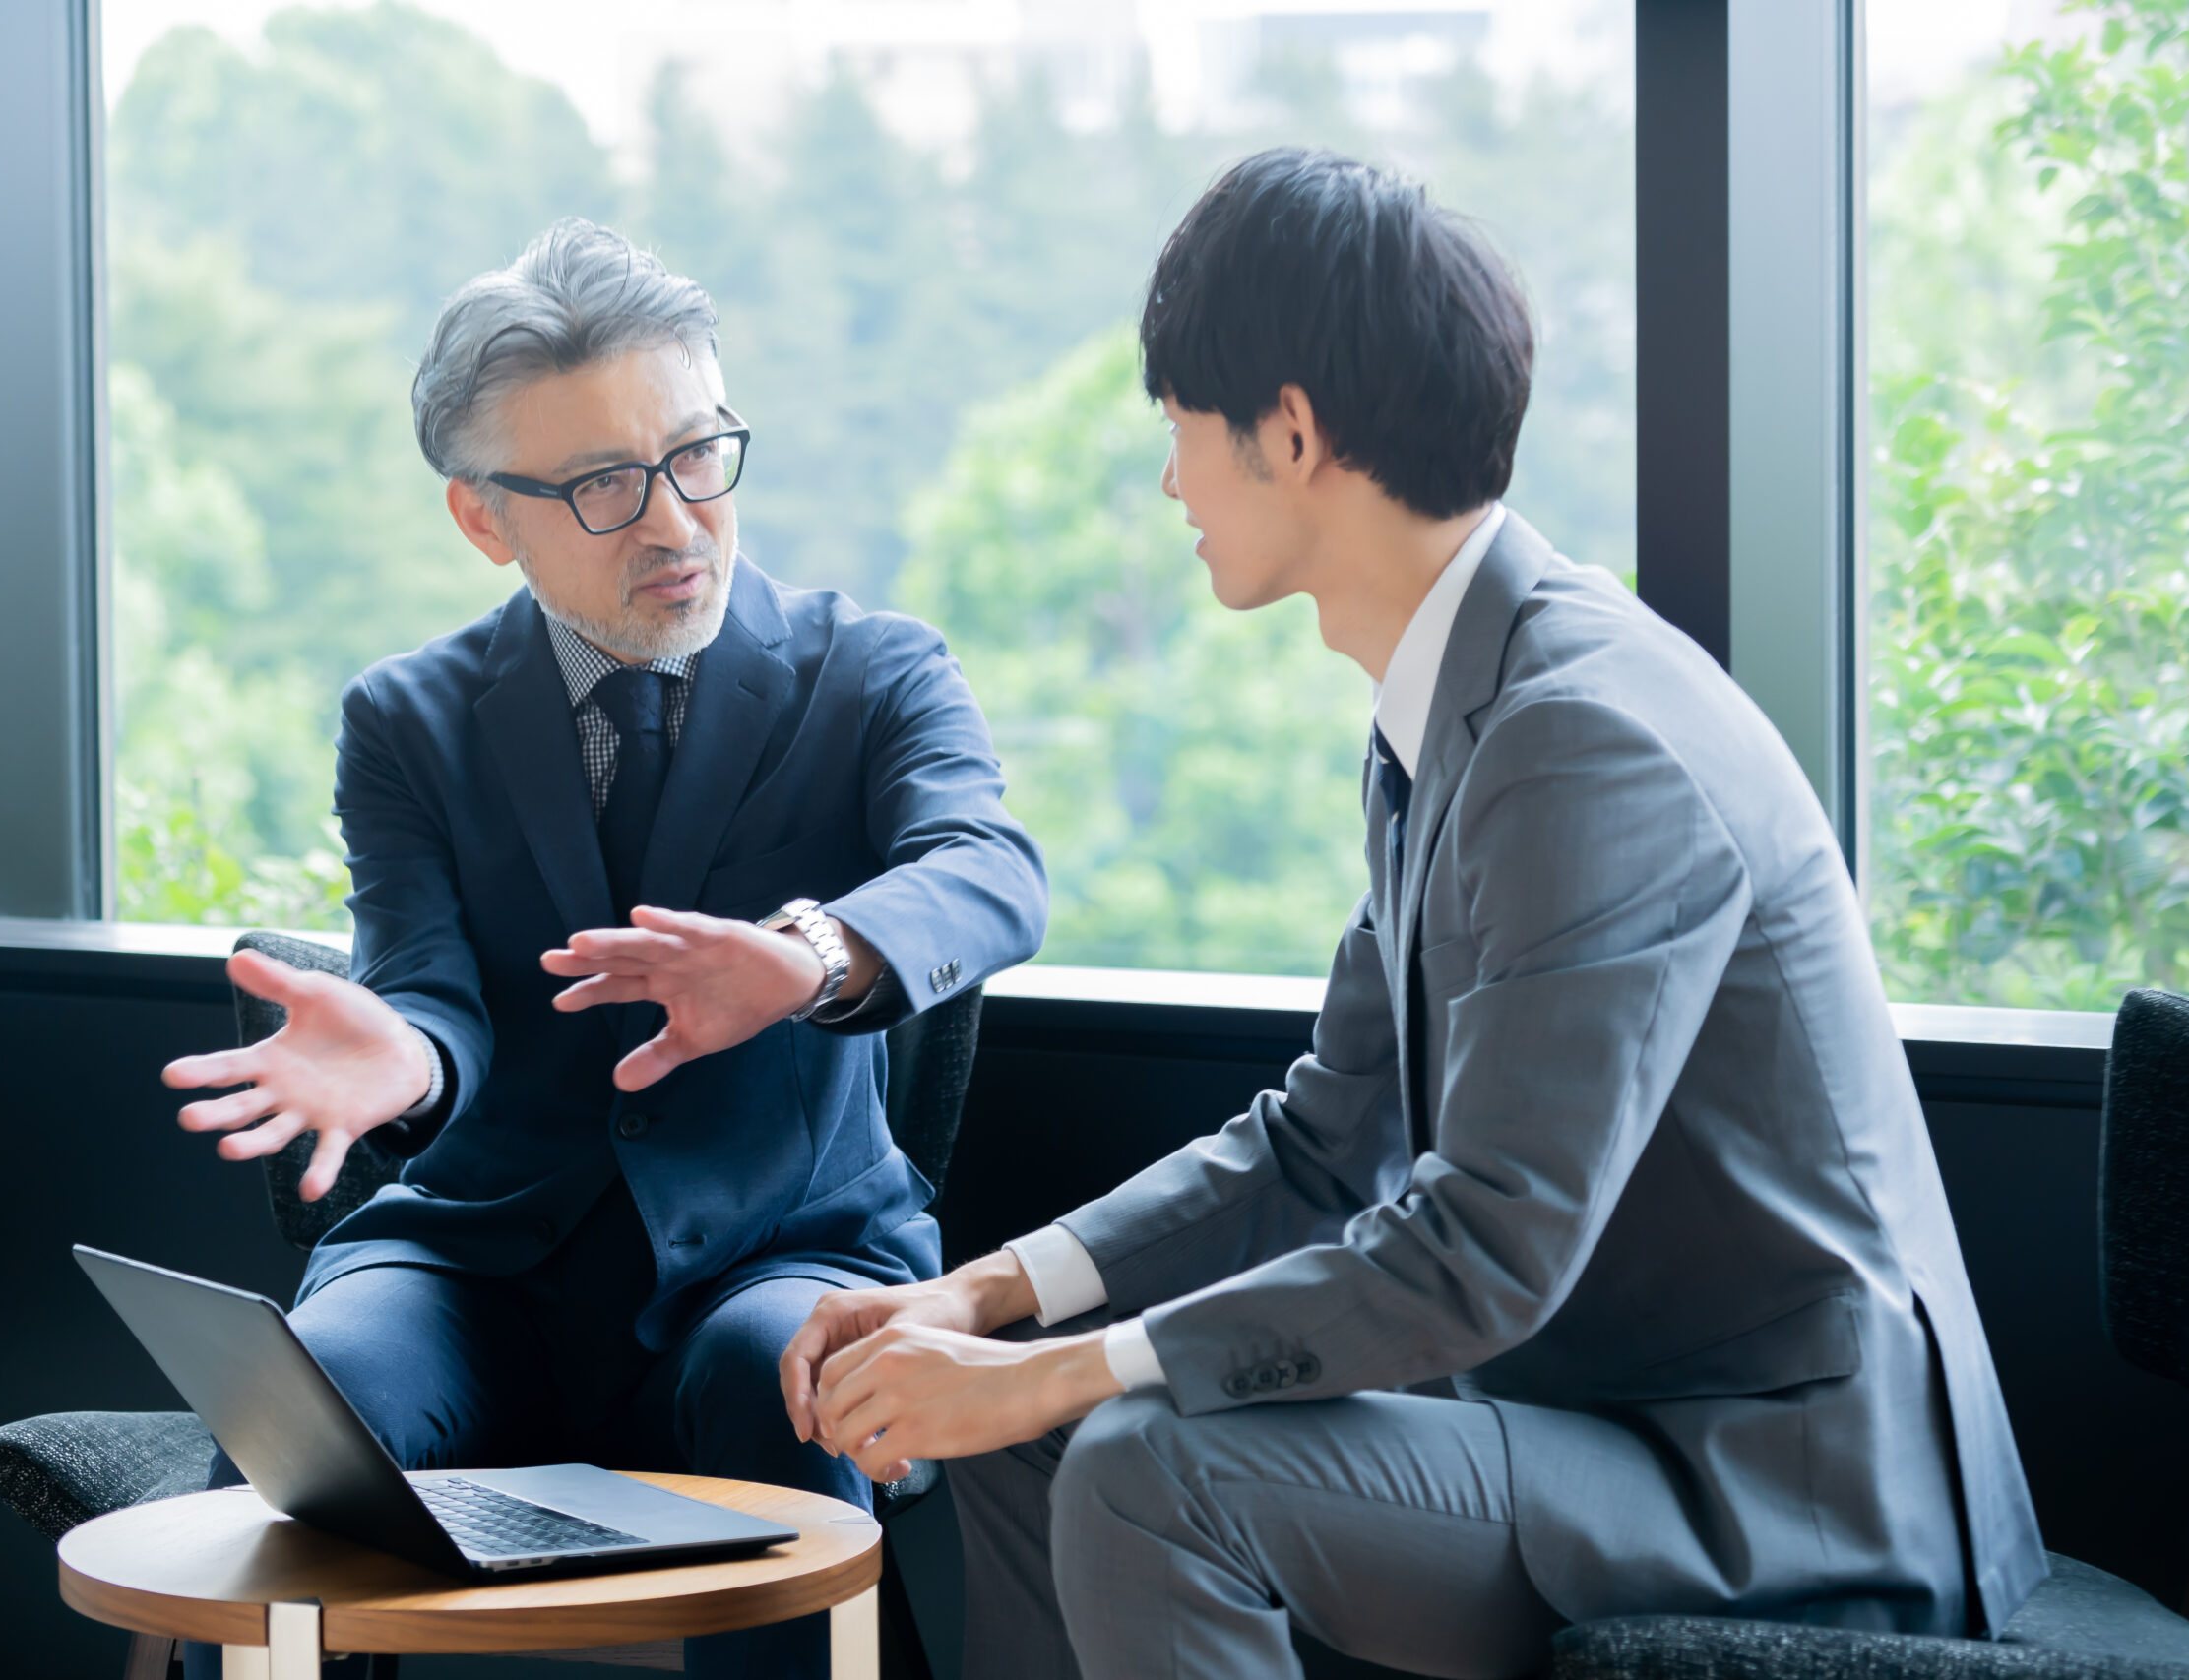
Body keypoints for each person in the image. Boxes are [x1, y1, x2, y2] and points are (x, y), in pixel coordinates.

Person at [780, 148, 2046, 1680]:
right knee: (1018, 1428)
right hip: (1608, 1420)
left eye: (1181, 425)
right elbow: (1327, 1140)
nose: (1171, 479)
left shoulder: (1586, 738)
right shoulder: (1458, 704)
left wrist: (1050, 1381)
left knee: (1141, 1466)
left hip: (1784, 1492)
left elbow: (1482, 1249)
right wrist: (983, 1300)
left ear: (1292, 434)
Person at [159, 218, 1047, 1680]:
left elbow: (989, 871)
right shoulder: (410, 719)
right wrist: (411, 1052)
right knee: (303, 1406)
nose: (676, 520)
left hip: (778, 1254)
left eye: (699, 453)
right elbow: (430, 985)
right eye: (601, 485)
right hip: (480, 1262)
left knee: (790, 1376)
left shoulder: (876, 672)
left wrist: (814, 957)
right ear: (480, 517)